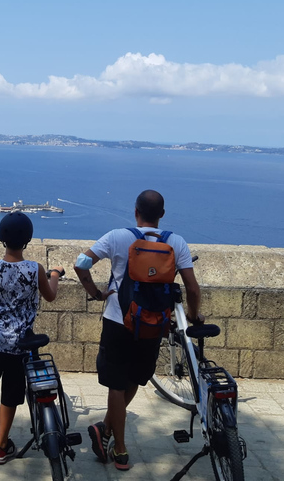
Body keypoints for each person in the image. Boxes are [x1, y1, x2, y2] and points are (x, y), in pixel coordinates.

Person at [73, 190, 201, 471]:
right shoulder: (176, 242)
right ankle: (106, 431)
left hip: (119, 320)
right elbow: (192, 288)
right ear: (162, 215)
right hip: (154, 323)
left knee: (116, 384)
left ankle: (118, 448)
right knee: (135, 379)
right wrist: (191, 316)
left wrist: (95, 292)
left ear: (135, 212)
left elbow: (81, 263)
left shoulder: (118, 236)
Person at [0, 211, 63, 464]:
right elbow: (50, 296)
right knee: (10, 395)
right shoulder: (35, 269)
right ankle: (1, 447)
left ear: (2, 237)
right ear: (27, 239)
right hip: (18, 346)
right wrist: (54, 275)